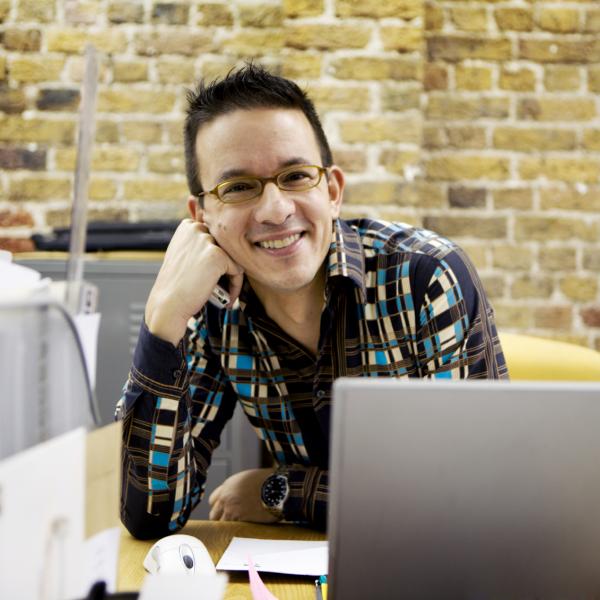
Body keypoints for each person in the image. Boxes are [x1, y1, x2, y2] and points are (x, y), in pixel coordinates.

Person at [119, 63, 508, 540]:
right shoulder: (211, 311)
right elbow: (150, 514)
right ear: (202, 216)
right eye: (238, 187)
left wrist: (285, 491)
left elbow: (474, 499)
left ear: (333, 191)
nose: (276, 210)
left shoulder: (426, 277)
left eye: (296, 176)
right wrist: (164, 317)